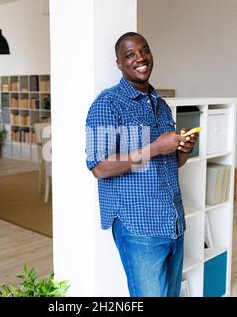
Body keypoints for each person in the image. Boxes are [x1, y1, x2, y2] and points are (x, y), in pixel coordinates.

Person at [85, 32, 198, 297]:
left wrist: (182, 150)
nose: (140, 58)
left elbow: (170, 166)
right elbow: (98, 167)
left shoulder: (161, 105)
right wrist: (156, 147)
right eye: (130, 55)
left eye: (144, 50)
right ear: (119, 64)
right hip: (139, 229)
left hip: (173, 222)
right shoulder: (107, 103)